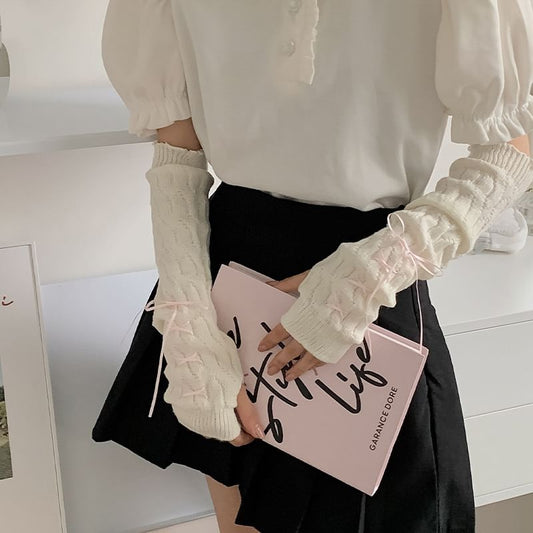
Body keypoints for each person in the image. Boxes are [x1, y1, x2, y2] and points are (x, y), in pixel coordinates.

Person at [91, 1, 533, 532]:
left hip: (371, 274)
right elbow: (177, 157)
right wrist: (188, 325)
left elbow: (511, 149)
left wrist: (367, 276)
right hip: (225, 276)